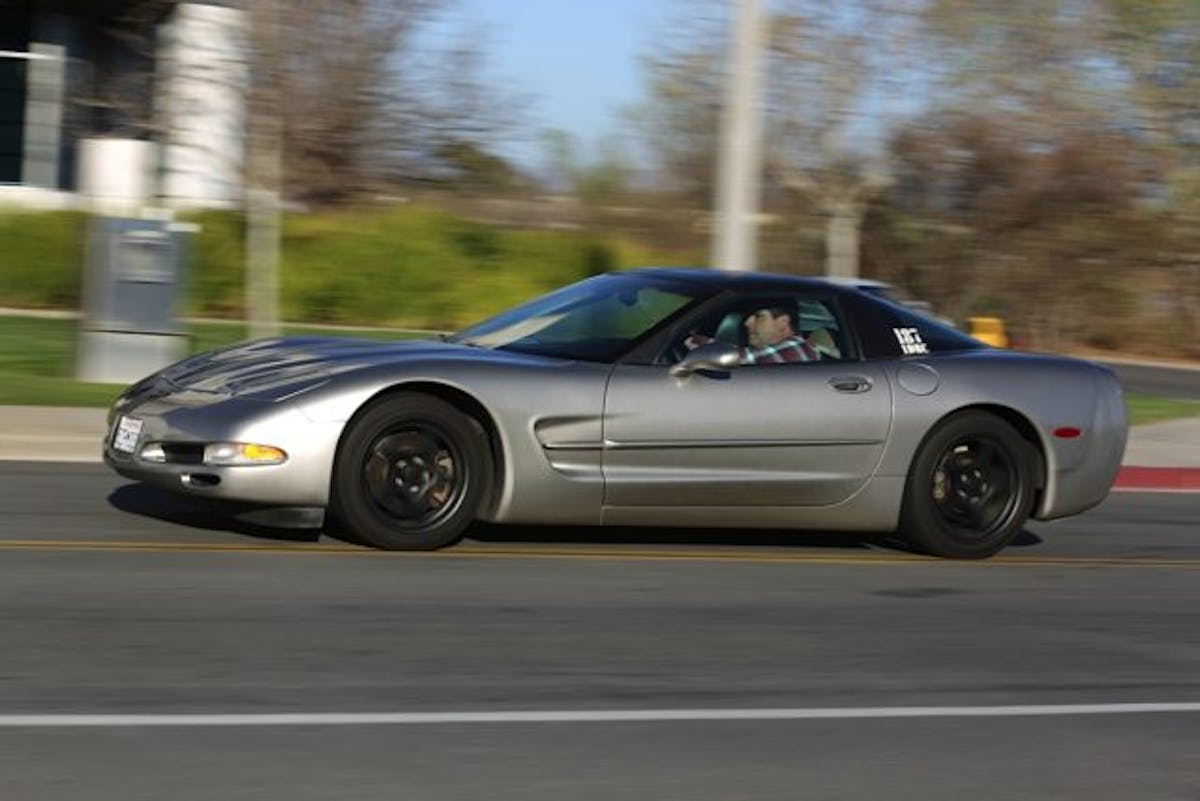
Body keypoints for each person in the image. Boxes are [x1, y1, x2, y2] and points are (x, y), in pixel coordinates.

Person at [686, 305, 819, 364]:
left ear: (782, 323)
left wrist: (693, 340)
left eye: (758, 316)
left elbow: (739, 359)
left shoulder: (795, 347)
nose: (747, 322)